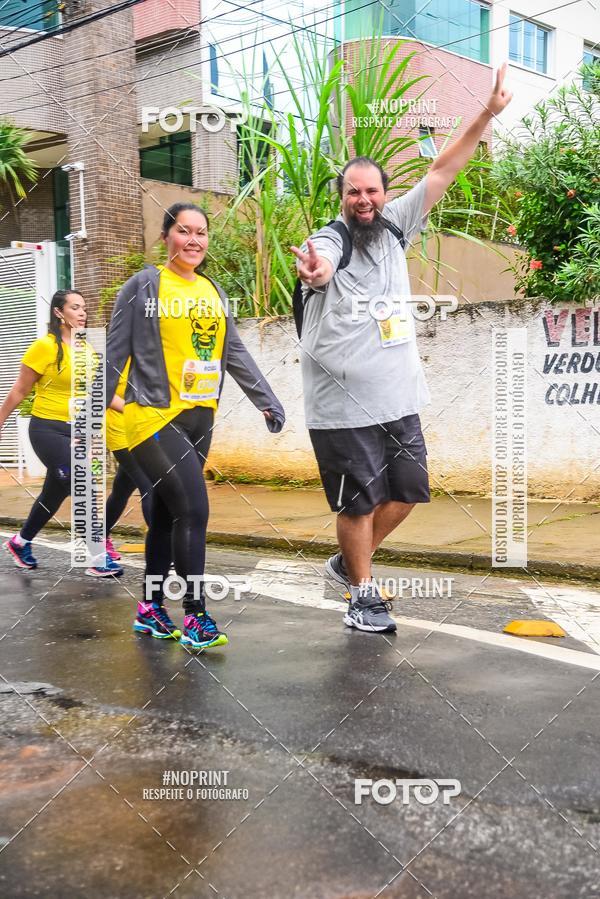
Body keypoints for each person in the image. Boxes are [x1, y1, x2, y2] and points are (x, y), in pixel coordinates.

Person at [292, 65, 513, 634]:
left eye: (372, 191)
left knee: (410, 491)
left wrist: (487, 112)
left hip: (397, 397)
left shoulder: (395, 226)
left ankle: (348, 564)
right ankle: (362, 594)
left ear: (384, 194)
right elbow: (320, 266)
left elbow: (444, 166)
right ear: (340, 197)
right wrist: (315, 274)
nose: (363, 200)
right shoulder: (330, 241)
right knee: (357, 505)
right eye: (353, 192)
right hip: (342, 406)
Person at [105, 201, 285, 649]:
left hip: (200, 417)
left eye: (201, 233)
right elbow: (114, 351)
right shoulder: (145, 285)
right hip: (152, 416)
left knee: (166, 517)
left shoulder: (213, 291)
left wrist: (267, 401)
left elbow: (234, 352)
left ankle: (149, 609)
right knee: (194, 510)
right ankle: (196, 617)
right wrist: (95, 409)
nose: (193, 240)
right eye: (184, 231)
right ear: (166, 236)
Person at [0, 290, 123, 577]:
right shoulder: (44, 347)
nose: (82, 313)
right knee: (82, 479)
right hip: (47, 429)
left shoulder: (87, 350)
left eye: (84, 308)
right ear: (59, 312)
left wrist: (136, 411)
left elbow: (101, 393)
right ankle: (96, 556)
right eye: (75, 307)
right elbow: (20, 389)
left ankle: (20, 542)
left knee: (55, 492)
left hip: (79, 431)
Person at [104, 360, 153, 559]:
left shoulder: (150, 355)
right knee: (149, 485)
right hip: (120, 431)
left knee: (121, 489)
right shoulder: (116, 355)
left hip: (142, 430)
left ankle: (97, 536)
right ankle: (162, 546)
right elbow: (103, 393)